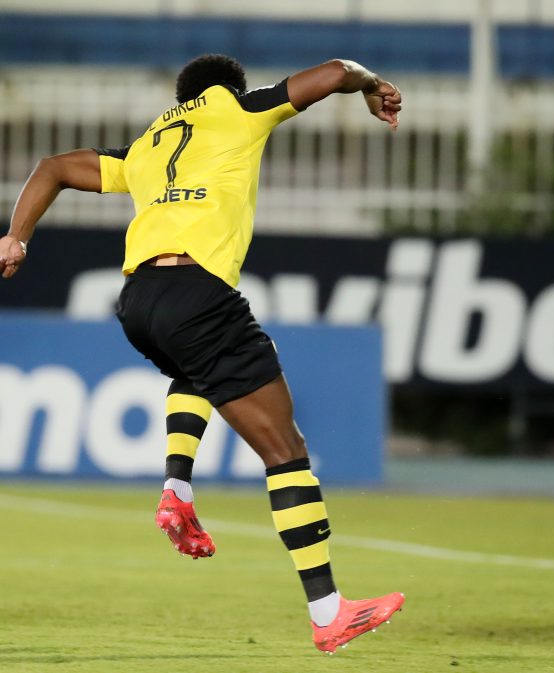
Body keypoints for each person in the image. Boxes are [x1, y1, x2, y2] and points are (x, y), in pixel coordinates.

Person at [0, 53, 404, 655]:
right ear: (232, 89)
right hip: (199, 291)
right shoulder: (241, 110)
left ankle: (177, 489)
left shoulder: (147, 145)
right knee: (286, 453)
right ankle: (329, 613)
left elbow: (52, 167)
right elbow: (338, 70)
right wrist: (372, 85)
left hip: (139, 300)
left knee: (200, 368)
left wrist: (16, 237)